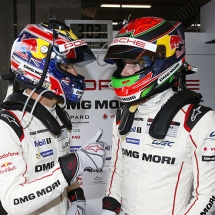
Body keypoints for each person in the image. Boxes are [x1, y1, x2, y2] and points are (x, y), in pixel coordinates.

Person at [100, 16, 215, 215]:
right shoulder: (123, 114)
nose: (125, 72)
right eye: (125, 63)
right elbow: (117, 170)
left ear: (162, 61)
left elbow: (207, 195)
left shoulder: (199, 120)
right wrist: (109, 209)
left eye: (134, 63)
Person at [0, 18, 106, 215]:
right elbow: (13, 202)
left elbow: (64, 172)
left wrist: (77, 199)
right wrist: (75, 164)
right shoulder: (8, 125)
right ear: (37, 68)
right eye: (66, 67)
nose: (75, 73)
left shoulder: (58, 114)